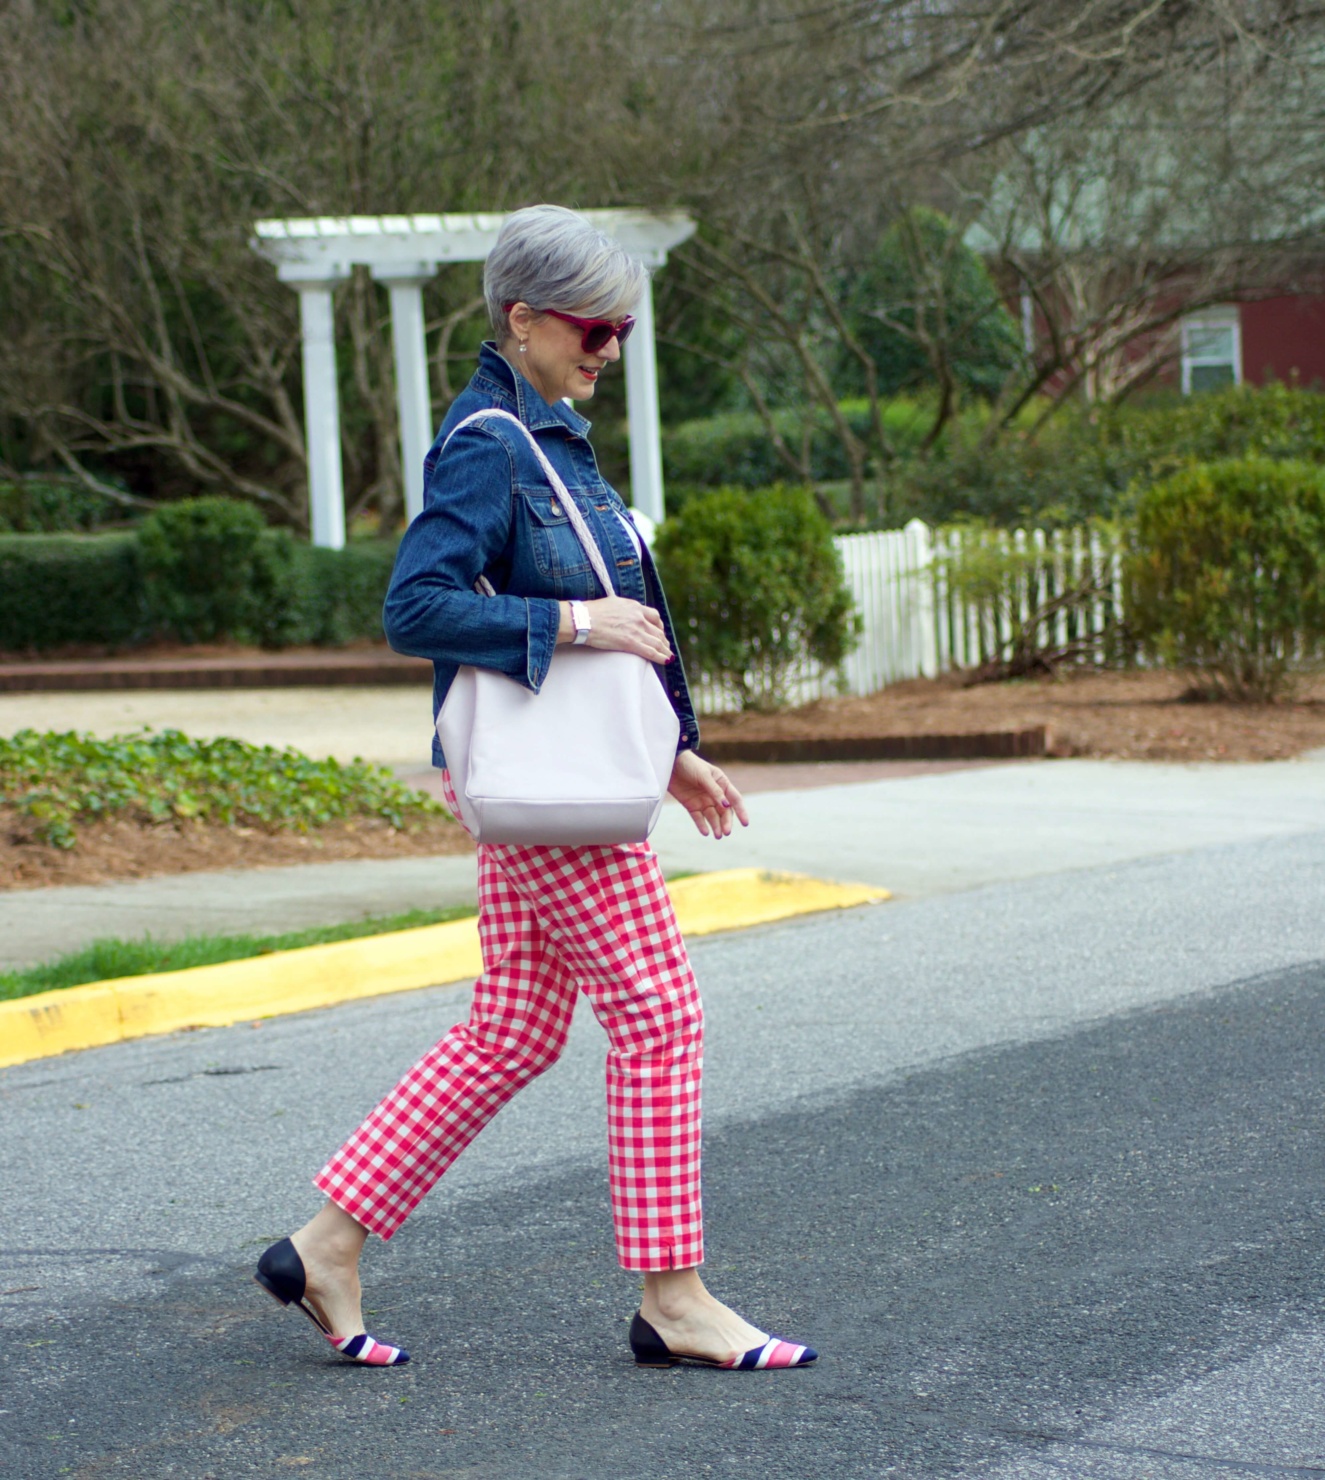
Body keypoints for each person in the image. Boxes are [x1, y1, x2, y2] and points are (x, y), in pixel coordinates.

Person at [254, 205, 817, 1373]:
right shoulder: (487, 443)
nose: (609, 348)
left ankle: (325, 1243)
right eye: (594, 328)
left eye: (623, 329)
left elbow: (617, 639)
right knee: (660, 1017)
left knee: (511, 1028)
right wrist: (566, 616)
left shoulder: (550, 437)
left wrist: (669, 751)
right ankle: (673, 1297)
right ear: (521, 318)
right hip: (546, 799)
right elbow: (416, 606)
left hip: (549, 788)